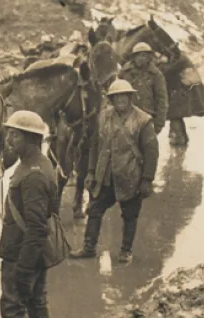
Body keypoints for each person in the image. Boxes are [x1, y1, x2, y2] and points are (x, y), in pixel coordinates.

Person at [67, 79, 159, 264]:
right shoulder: (103, 117)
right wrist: (92, 172)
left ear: (130, 97)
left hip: (130, 176)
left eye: (124, 96)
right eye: (116, 97)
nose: (120, 101)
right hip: (105, 176)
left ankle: (126, 251)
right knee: (94, 209)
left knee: (130, 215)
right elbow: (94, 146)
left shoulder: (143, 121)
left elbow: (151, 152)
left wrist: (147, 179)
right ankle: (88, 247)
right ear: (111, 99)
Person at [0, 110, 58, 318]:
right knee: (36, 300)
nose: (9, 139)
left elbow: (35, 227)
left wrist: (23, 267)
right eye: (9, 133)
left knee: (12, 305)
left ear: (32, 139)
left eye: (15, 135)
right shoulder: (38, 163)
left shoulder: (32, 175)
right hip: (33, 252)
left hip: (23, 252)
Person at [119, 42, 168, 135]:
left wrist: (159, 124)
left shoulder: (156, 75)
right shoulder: (124, 72)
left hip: (147, 119)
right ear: (134, 57)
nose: (142, 58)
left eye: (145, 55)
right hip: (127, 118)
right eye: (139, 55)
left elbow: (162, 100)